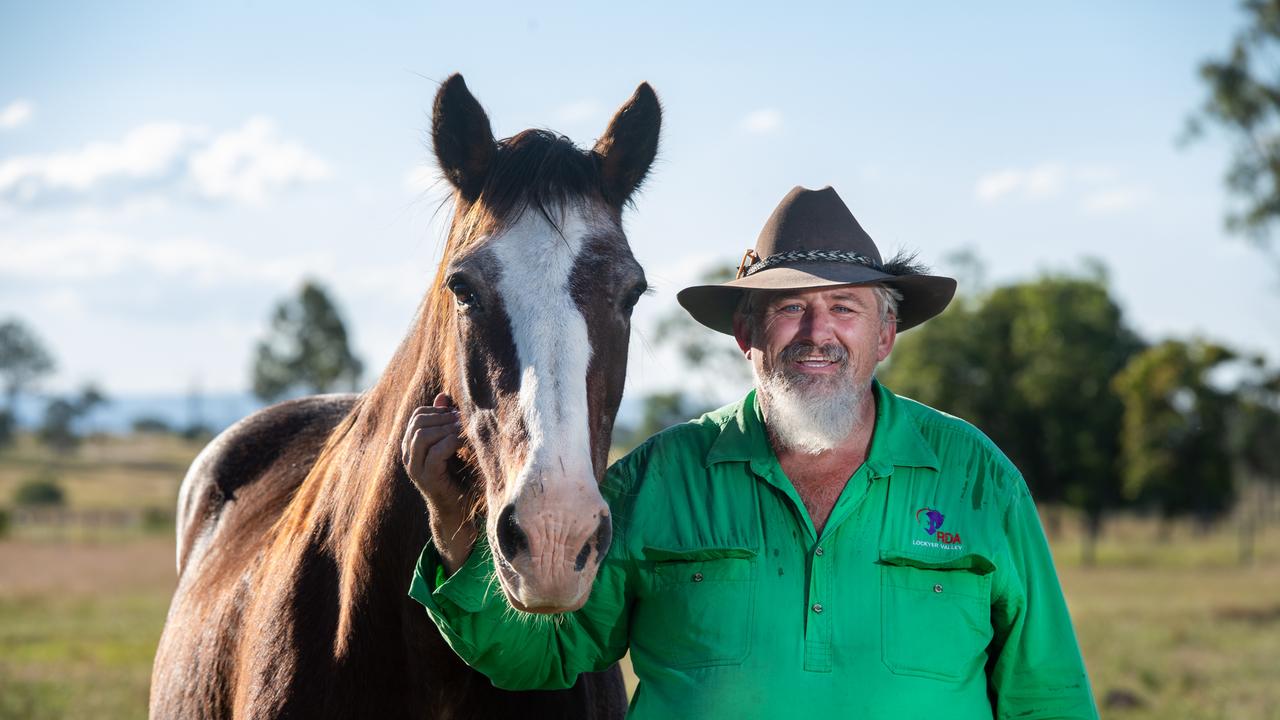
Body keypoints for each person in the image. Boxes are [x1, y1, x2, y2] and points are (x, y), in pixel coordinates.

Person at [406, 186, 1099, 718]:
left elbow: (1048, 693)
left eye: (845, 308)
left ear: (885, 336)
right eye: (789, 307)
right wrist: (451, 522)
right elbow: (539, 658)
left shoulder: (978, 479)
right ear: (747, 333)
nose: (817, 332)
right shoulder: (659, 480)